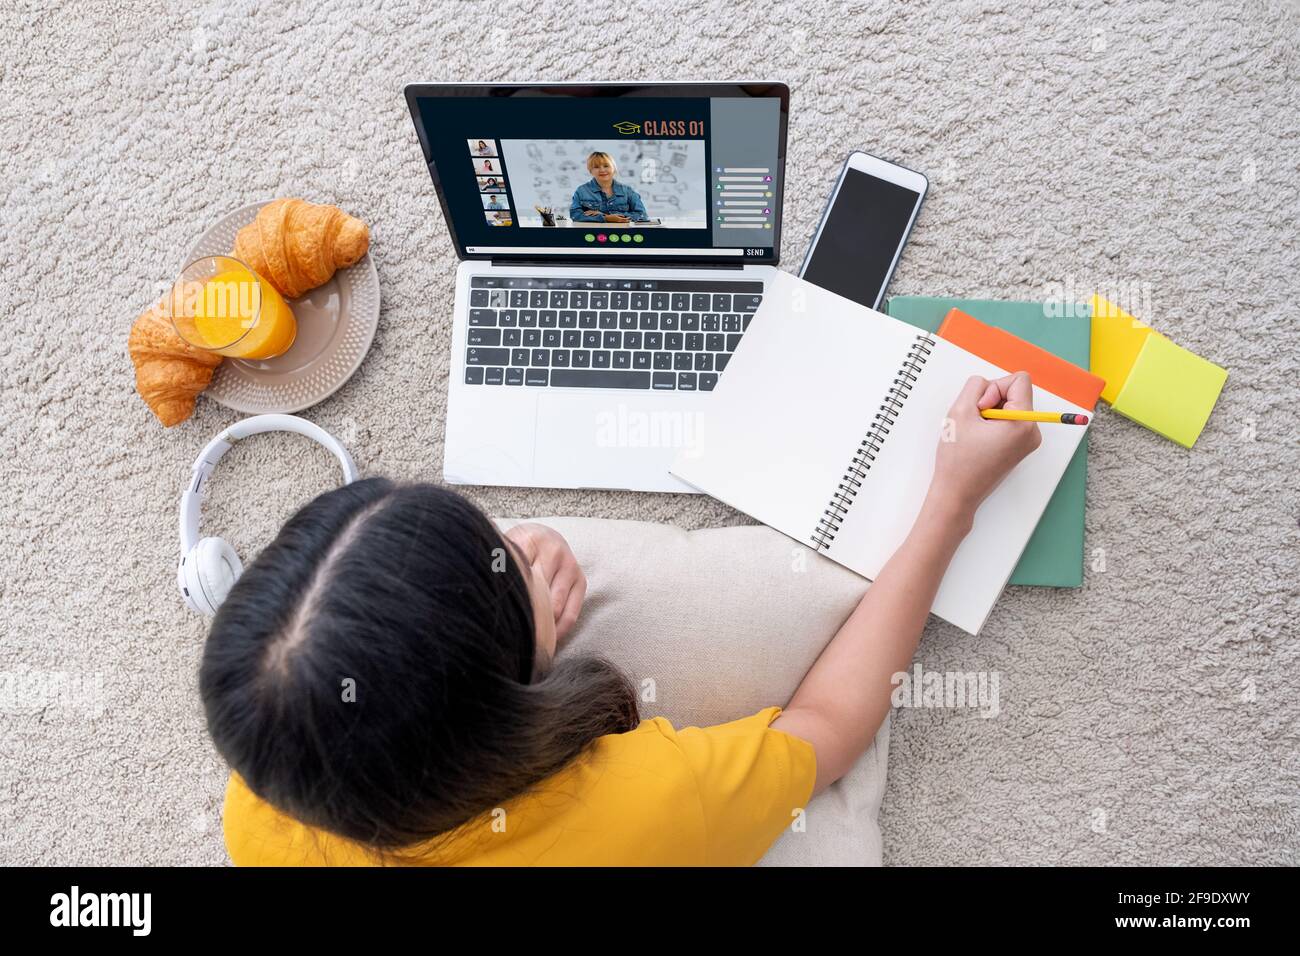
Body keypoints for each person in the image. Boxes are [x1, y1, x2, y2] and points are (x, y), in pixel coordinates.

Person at [203, 373, 1042, 865]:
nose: (518, 545)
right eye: (505, 557)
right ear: (509, 706)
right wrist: (952, 503)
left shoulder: (259, 810)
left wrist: (504, 596)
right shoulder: (646, 806)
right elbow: (829, 726)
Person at [569, 151, 648, 224]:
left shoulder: (627, 191)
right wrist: (606, 218)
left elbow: (642, 215)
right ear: (590, 171)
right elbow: (575, 215)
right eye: (596, 167)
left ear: (613, 168)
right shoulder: (582, 191)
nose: (602, 170)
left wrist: (606, 215)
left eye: (606, 166)